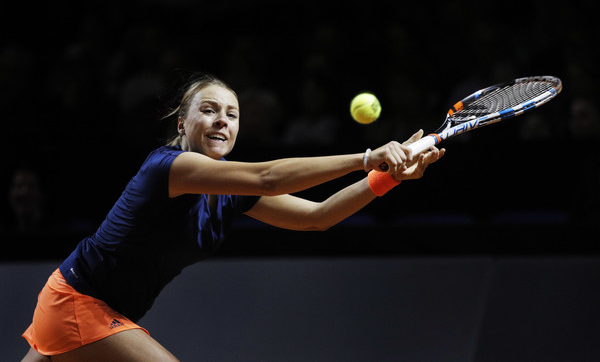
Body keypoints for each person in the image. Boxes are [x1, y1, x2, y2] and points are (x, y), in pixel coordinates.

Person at [21, 73, 445, 362]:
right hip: (78, 303)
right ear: (183, 123)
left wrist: (386, 177)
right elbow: (267, 177)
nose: (222, 120)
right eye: (208, 110)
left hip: (95, 308)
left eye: (232, 114)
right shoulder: (168, 166)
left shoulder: (227, 193)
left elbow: (317, 216)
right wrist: (366, 156)